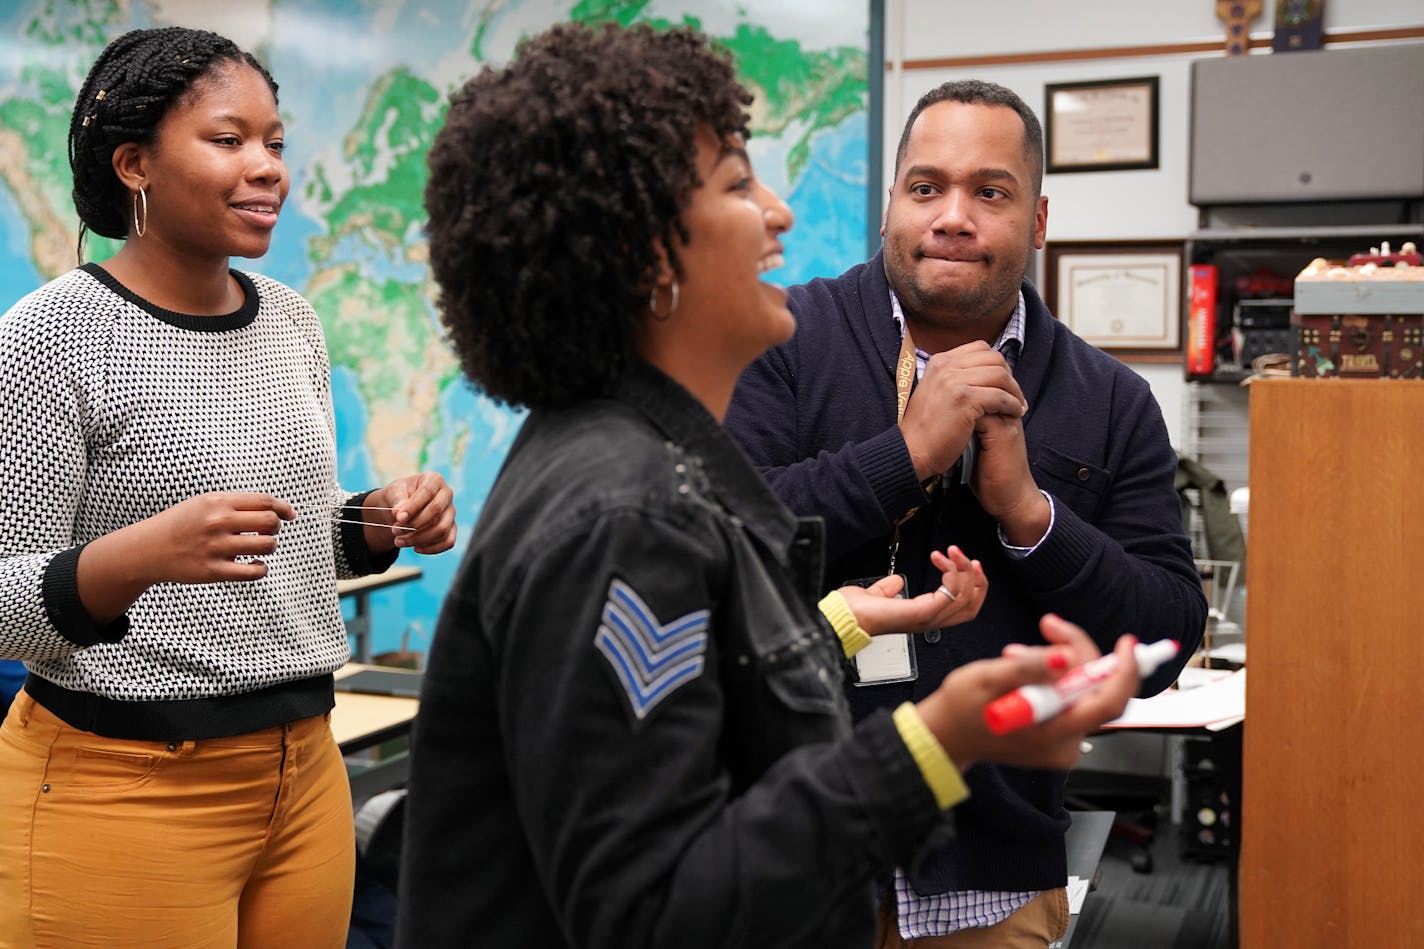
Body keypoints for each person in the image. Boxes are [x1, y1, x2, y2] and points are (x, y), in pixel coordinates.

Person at [396, 25, 1142, 949]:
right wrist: (943, 738)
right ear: (648, 254)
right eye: (740, 184)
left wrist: (843, 627)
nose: (781, 213)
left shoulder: (625, 456)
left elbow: (689, 709)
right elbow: (657, 909)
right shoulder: (627, 513)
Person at [0, 27, 456, 949]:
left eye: (276, 143)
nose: (267, 168)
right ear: (135, 164)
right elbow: (6, 601)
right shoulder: (49, 336)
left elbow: (279, 543)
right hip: (121, 782)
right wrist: (140, 555)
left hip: (305, 771)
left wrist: (379, 522)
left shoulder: (292, 320)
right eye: (228, 139)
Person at [723, 80, 1207, 947]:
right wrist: (903, 458)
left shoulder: (1112, 400)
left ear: (1039, 219)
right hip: (779, 861)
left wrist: (1029, 515)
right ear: (889, 208)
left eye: (990, 191)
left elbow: (1168, 635)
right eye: (925, 187)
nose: (952, 216)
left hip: (991, 886)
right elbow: (722, 541)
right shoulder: (781, 339)